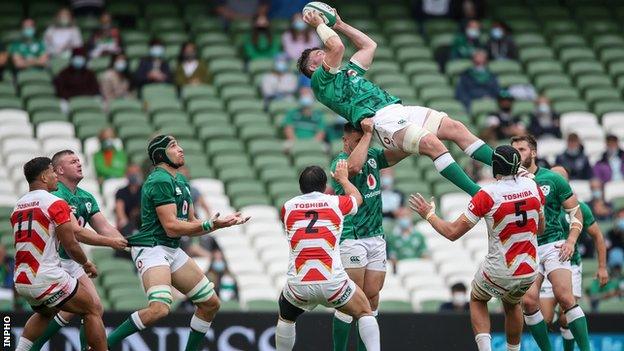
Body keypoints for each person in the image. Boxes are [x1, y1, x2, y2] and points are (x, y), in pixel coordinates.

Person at [299, 9, 494, 197]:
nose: (322, 52)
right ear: (313, 67)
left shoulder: (348, 72)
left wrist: (340, 24)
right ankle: (478, 194)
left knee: (455, 127)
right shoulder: (320, 82)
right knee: (432, 144)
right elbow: (337, 46)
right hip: (380, 120)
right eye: (317, 54)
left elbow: (369, 46)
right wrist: (319, 25)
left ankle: (508, 167)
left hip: (397, 109)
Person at [106, 135, 250, 350]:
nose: (181, 149)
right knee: (159, 309)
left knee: (210, 304)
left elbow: (191, 223)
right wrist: (212, 225)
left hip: (171, 248)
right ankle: (102, 345)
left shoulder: (181, 180)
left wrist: (221, 222)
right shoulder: (159, 180)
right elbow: (171, 226)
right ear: (161, 154)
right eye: (173, 146)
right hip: (151, 248)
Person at [410, 145, 546, 351]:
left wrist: (429, 214)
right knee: (511, 304)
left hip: (501, 269)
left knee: (477, 298)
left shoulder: (488, 194)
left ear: (494, 167)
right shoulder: (532, 185)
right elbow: (541, 228)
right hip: (529, 270)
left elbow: (452, 233)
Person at [29, 150, 128, 351]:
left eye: (79, 161)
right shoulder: (56, 195)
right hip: (55, 260)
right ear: (59, 170)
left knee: (94, 307)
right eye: (73, 161)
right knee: (69, 310)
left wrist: (125, 242)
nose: (79, 164)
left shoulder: (86, 196)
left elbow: (105, 227)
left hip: (72, 260)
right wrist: (111, 243)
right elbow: (77, 232)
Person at [275, 162, 380, 351]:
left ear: (300, 187)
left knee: (286, 318)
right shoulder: (335, 202)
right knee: (365, 311)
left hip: (299, 285)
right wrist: (343, 179)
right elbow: (358, 197)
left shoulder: (287, 207)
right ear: (325, 187)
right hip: (334, 284)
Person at [12, 157, 107, 351]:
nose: (56, 176)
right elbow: (71, 244)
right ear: (44, 176)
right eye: (52, 172)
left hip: (22, 279)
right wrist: (86, 263)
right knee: (92, 308)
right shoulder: (55, 203)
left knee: (46, 312)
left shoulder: (18, 206)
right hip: (45, 276)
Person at [330, 119, 408, 351]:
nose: (345, 143)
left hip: (376, 235)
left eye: (350, 140)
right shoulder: (340, 162)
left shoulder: (372, 153)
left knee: (372, 297)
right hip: (353, 235)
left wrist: (412, 143)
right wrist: (365, 135)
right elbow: (353, 168)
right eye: (344, 139)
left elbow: (396, 155)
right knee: (350, 299)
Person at [511, 135, 592, 351]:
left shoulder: (552, 179)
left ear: (534, 152)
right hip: (527, 248)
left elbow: (576, 212)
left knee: (565, 297)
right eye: (514, 150)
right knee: (528, 302)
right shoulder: (510, 183)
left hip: (553, 244)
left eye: (522, 149)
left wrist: (571, 241)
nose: (517, 154)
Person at [539, 166, 609, 351]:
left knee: (566, 316)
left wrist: (602, 267)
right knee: (544, 319)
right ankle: (552, 316)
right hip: (544, 261)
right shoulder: (540, 205)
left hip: (571, 264)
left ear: (566, 183)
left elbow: (598, 236)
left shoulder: (579, 207)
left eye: (559, 178)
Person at [115, 164, 143, 235]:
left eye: (136, 172)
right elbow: (120, 210)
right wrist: (124, 222)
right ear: (126, 175)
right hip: (127, 223)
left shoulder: (145, 190)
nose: (134, 175)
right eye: (131, 173)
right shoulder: (121, 192)